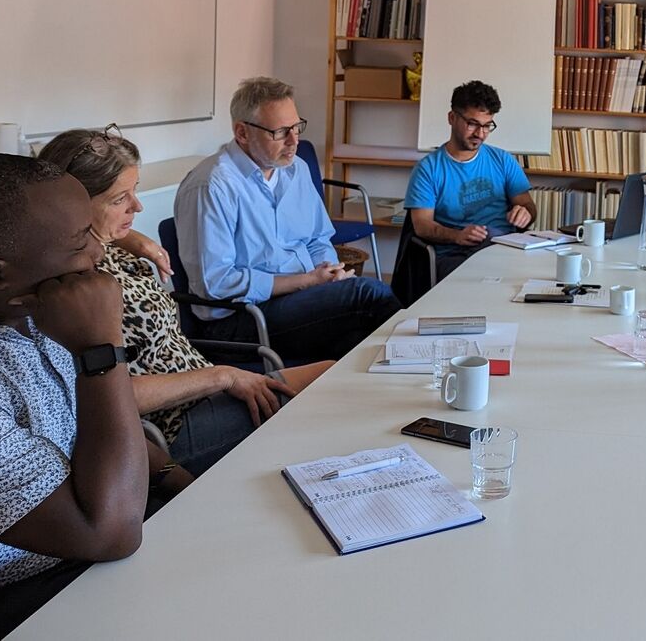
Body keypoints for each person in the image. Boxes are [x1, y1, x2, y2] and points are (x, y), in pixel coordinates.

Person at [0, 154, 188, 638]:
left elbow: (82, 425)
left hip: (93, 531)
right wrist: (101, 349)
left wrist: (178, 479)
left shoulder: (18, 298)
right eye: (81, 240)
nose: (99, 252)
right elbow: (108, 534)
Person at [41, 126, 334, 476]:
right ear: (73, 207)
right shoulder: (74, 290)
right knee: (331, 390)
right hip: (167, 428)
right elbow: (107, 395)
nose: (138, 205)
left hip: (200, 390)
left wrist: (134, 239)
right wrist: (222, 376)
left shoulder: (102, 249)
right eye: (120, 199)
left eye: (135, 191)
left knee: (334, 374)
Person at [174, 76, 400, 361]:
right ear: (242, 133)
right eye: (280, 132)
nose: (294, 141)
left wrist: (331, 275)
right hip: (241, 318)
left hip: (296, 300)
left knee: (361, 343)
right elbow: (216, 283)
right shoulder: (212, 185)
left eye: (296, 127)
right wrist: (306, 281)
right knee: (368, 295)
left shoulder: (296, 170)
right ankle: (424, 360)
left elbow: (317, 239)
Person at [405, 80, 536, 280]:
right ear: (452, 118)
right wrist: (457, 236)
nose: (480, 134)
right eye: (472, 124)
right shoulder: (428, 169)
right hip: (456, 255)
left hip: (505, 248)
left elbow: (528, 205)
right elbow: (422, 226)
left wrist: (525, 213)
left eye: (487, 125)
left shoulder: (503, 160)